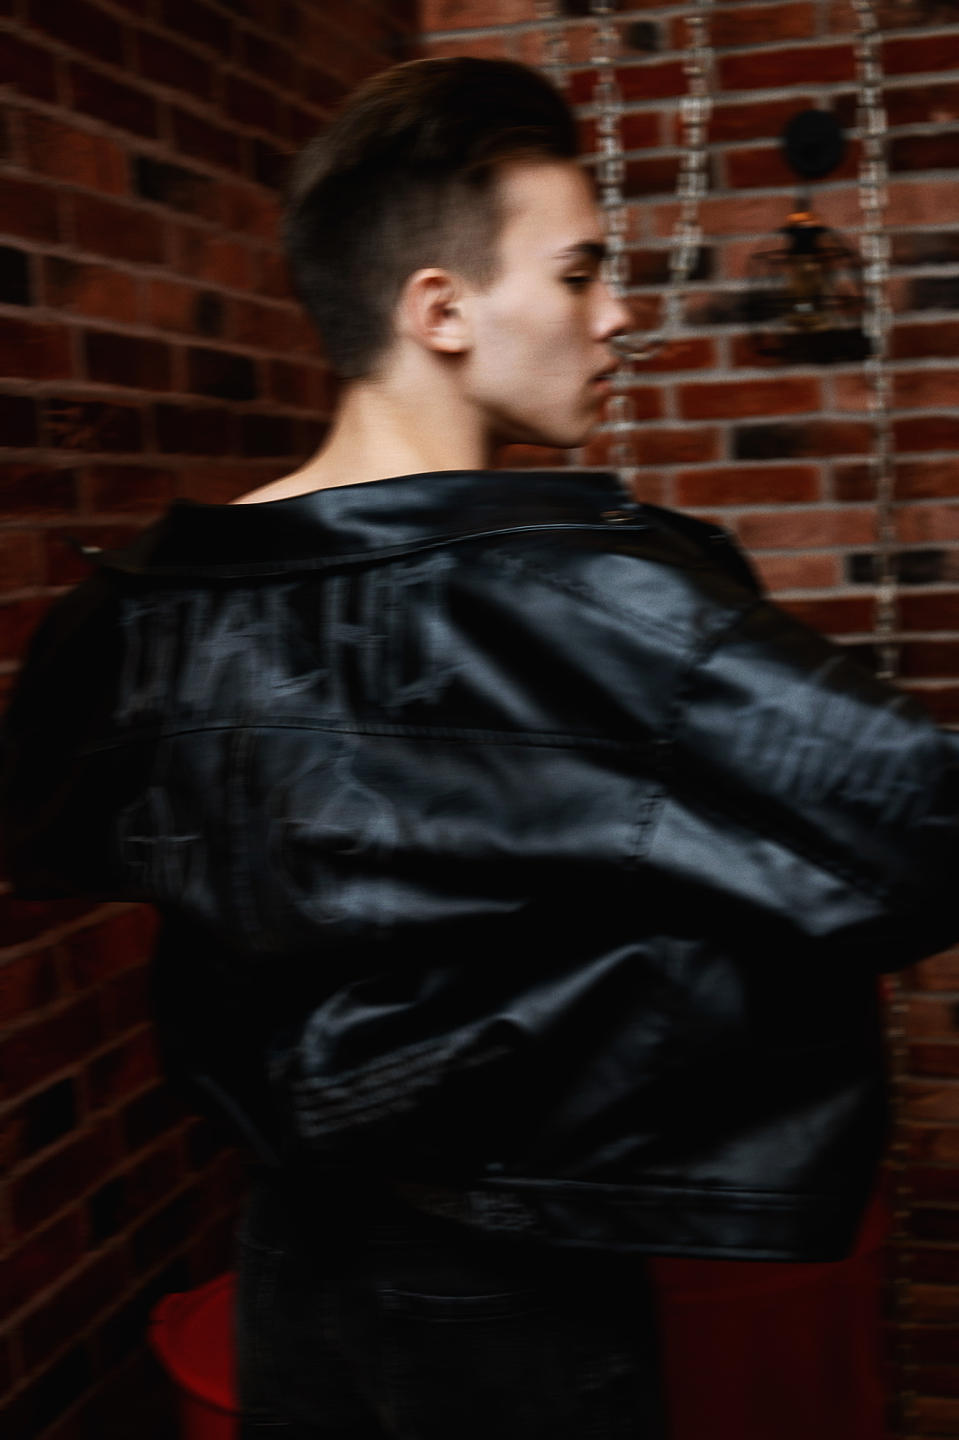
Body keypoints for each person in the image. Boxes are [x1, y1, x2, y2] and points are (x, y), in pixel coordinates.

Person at [2, 55, 958, 1440]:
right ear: (439, 308)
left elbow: (72, 842)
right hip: (507, 1303)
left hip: (285, 1269)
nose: (618, 315)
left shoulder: (141, 607)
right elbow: (921, 820)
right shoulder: (596, 599)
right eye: (580, 273)